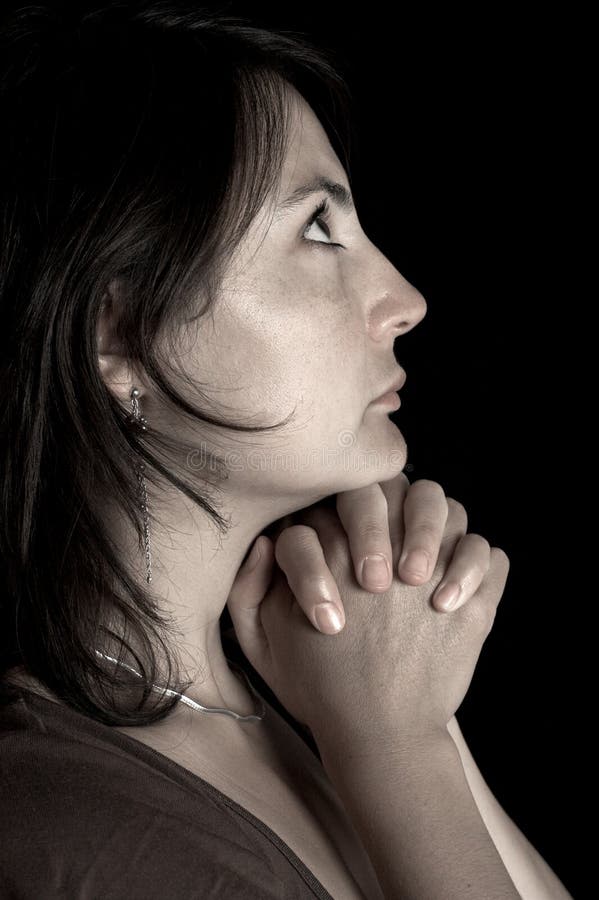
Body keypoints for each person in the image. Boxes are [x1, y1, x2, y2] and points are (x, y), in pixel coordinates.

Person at [0, 3, 573, 898]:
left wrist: (399, 668)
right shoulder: (76, 828)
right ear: (120, 336)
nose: (405, 298)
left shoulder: (278, 705)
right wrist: (397, 747)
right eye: (316, 229)